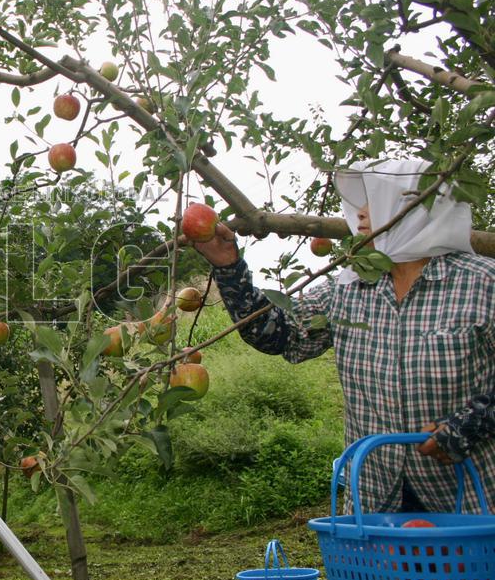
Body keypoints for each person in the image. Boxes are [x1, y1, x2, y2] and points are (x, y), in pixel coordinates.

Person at [193, 159, 494, 515]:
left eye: (376, 201)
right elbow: (275, 334)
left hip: (469, 499)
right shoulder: (348, 288)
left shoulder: (484, 284)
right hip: (376, 500)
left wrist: (470, 425)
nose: (360, 214)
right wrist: (228, 267)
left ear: (416, 208)